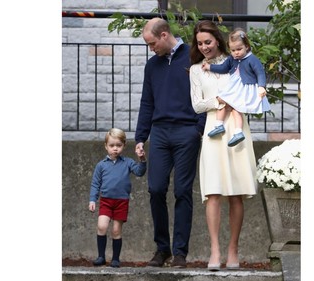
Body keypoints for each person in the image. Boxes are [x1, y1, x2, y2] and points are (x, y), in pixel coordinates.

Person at [135, 18, 206, 268]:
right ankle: (162, 249)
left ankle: (180, 253)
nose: (150, 48)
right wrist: (140, 137)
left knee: (182, 192)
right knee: (155, 189)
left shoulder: (193, 57)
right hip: (160, 133)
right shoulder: (151, 66)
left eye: (152, 43)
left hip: (187, 132)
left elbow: (207, 93)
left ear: (164, 35)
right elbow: (147, 102)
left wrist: (198, 129)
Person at [189, 20, 258, 271]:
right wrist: (219, 100)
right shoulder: (197, 70)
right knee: (214, 192)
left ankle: (233, 250)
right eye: (200, 43)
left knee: (236, 192)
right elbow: (197, 104)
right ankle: (215, 251)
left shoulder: (238, 61)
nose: (204, 46)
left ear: (217, 39)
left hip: (237, 126)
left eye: (208, 41)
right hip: (212, 128)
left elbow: (250, 90)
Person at [201, 28, 271, 147]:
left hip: (244, 87)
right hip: (234, 87)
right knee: (223, 102)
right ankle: (221, 126)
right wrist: (209, 67)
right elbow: (223, 68)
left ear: (247, 47)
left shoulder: (252, 59)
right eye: (233, 50)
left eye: (239, 49)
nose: (236, 53)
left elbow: (260, 73)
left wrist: (261, 87)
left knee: (235, 107)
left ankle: (235, 130)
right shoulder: (231, 59)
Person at [89, 128, 147, 268]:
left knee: (116, 230)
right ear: (106, 146)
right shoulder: (101, 165)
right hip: (106, 201)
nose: (115, 149)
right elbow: (95, 183)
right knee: (102, 226)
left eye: (118, 145)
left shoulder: (127, 162)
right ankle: (101, 256)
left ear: (124, 146)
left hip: (121, 202)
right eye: (112, 145)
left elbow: (139, 172)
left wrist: (142, 160)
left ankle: (115, 258)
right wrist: (92, 199)